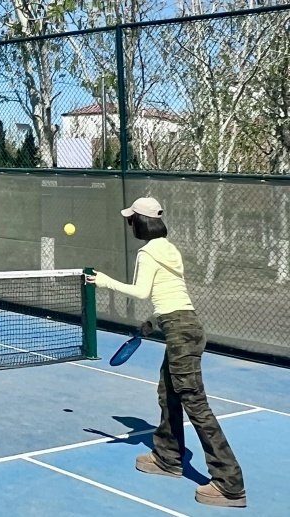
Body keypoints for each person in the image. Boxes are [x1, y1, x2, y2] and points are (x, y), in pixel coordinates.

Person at [86, 197, 246, 508]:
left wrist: (104, 282)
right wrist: (153, 321)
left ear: (141, 222)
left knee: (195, 404)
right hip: (187, 325)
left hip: (180, 332)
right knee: (168, 393)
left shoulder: (147, 252)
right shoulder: (170, 249)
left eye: (132, 219)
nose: (130, 223)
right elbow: (171, 294)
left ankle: (230, 484)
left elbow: (143, 291)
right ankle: (168, 457)